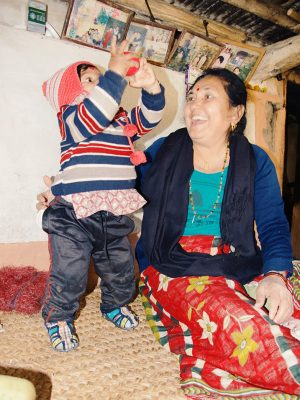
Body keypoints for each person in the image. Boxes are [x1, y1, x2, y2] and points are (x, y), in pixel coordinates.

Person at [136, 68, 300, 398]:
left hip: (234, 257)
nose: (195, 104)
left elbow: (272, 225)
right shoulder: (163, 150)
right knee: (238, 322)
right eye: (192, 97)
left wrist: (274, 274)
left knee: (286, 309)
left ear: (235, 113)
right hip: (172, 261)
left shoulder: (255, 160)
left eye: (208, 96)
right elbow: (115, 177)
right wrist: (65, 190)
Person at [38, 36, 165, 352]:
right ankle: (58, 317)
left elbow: (149, 118)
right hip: (72, 215)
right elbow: (94, 112)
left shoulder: (120, 121)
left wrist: (151, 87)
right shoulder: (72, 118)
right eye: (90, 79)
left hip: (112, 213)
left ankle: (114, 304)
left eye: (101, 77)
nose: (100, 83)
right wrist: (115, 74)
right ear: (70, 94)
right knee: (70, 272)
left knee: (121, 267)